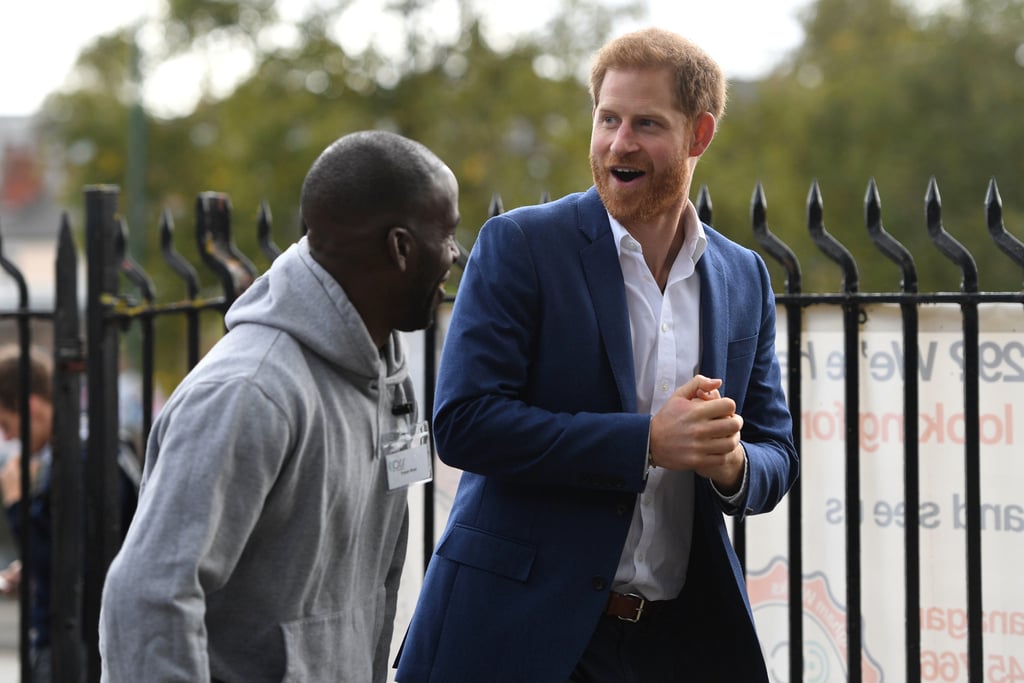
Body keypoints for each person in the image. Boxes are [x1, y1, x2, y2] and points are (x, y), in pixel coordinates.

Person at [395, 28, 798, 682]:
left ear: (700, 135)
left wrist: (732, 462)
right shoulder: (520, 246)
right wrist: (646, 442)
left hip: (676, 643)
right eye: (607, 119)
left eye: (646, 123)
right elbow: (464, 422)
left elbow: (777, 451)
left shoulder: (742, 275)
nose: (619, 142)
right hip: (516, 635)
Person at [99, 130, 461, 682]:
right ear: (401, 248)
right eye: (449, 234)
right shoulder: (249, 392)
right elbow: (148, 597)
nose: (456, 256)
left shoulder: (387, 372)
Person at [0, 344, 56, 682]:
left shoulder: (76, 458)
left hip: (67, 641)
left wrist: (18, 505)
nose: (6, 437)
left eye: (6, 423)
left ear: (31, 407)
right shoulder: (64, 454)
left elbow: (63, 566)